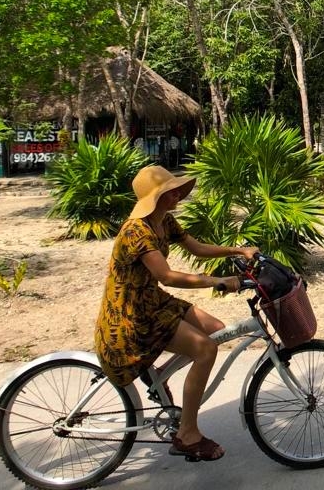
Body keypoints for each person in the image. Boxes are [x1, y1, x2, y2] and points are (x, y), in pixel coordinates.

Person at [94, 165, 258, 462]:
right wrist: (216, 281)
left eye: (177, 190)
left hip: (152, 301)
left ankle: (157, 375)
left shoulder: (164, 222)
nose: (178, 195)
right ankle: (188, 434)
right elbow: (167, 276)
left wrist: (237, 251)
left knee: (216, 329)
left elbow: (196, 248)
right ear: (154, 198)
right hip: (131, 315)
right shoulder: (137, 231)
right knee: (205, 350)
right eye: (171, 192)